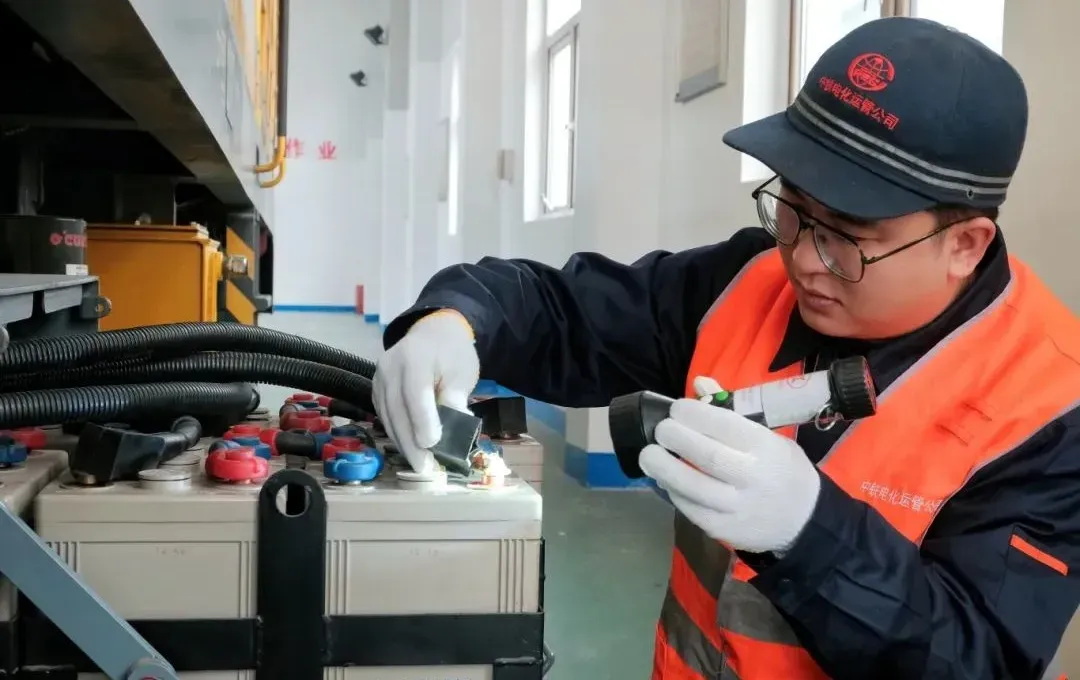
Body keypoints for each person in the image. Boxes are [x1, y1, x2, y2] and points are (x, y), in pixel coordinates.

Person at [373, 16, 1080, 680]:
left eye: (846, 236)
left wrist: (812, 534)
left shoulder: (1050, 408)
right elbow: (563, 311)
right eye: (793, 210)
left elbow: (979, 657)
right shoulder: (747, 281)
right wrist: (453, 321)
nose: (803, 259)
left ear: (965, 245)